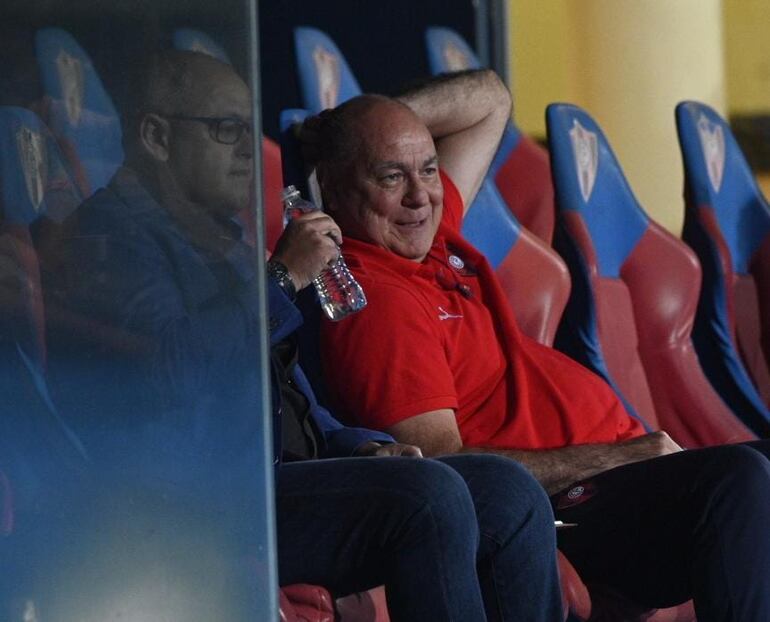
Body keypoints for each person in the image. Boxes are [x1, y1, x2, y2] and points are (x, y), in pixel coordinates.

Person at [48, 50, 563, 621]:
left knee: (506, 492)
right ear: (156, 136)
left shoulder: (219, 241)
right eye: (225, 130)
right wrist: (282, 279)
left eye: (249, 129)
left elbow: (287, 390)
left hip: (276, 477)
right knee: (429, 498)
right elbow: (174, 370)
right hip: (192, 495)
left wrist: (356, 444)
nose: (248, 148)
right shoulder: (110, 238)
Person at [312, 70, 770, 620]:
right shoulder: (378, 297)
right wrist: (621, 454)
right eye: (390, 176)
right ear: (335, 190)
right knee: (734, 481)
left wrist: (361, 130)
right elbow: (441, 467)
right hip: (562, 507)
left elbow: (488, 98)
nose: (419, 195)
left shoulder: (427, 238)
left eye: (429, 169)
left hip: (619, 475)